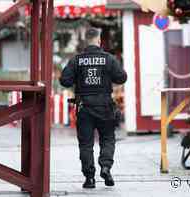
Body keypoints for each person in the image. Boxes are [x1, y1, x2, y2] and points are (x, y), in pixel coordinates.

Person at [59, 28, 127, 189]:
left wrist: (77, 77)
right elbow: (122, 77)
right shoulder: (108, 59)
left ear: (86, 41)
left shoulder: (76, 60)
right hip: (105, 106)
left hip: (84, 108)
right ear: (99, 41)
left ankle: (89, 178)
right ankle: (106, 167)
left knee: (86, 144)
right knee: (108, 139)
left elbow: (65, 81)